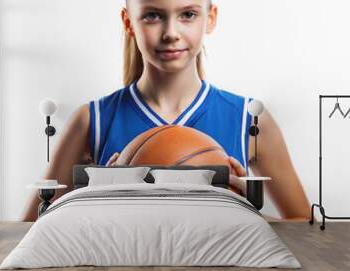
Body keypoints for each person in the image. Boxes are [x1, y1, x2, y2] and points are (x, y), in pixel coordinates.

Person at [21, 0, 310, 222]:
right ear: (128, 22)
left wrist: (250, 212)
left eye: (188, 14)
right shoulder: (91, 120)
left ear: (210, 18)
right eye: (152, 15)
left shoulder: (250, 119)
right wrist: (94, 199)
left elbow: (303, 224)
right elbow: (32, 226)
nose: (171, 33)